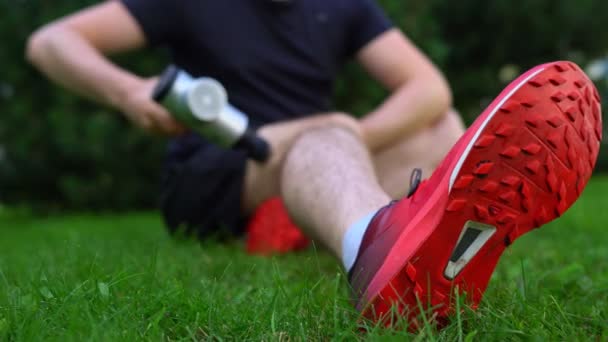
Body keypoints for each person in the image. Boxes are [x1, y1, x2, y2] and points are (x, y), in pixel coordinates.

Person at [26, 0, 601, 329]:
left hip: (318, 158)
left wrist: (354, 136)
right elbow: (52, 42)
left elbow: (427, 85)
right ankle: (373, 250)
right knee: (331, 131)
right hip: (214, 172)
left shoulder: (341, 6)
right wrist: (128, 92)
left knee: (441, 122)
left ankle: (328, 218)